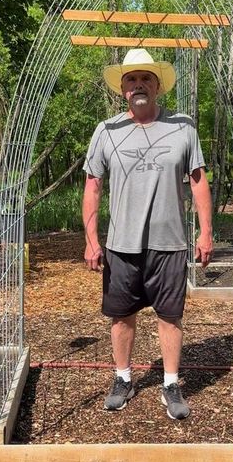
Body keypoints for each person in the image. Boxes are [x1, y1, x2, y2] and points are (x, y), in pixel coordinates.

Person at [82, 47, 213, 420]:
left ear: (158, 86)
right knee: (121, 316)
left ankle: (171, 383)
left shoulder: (183, 127)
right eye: (131, 80)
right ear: (122, 88)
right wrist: (92, 240)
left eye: (145, 79)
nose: (138, 85)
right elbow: (93, 186)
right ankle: (123, 378)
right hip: (122, 243)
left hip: (169, 242)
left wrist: (206, 233)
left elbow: (198, 181)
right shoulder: (106, 131)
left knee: (170, 316)